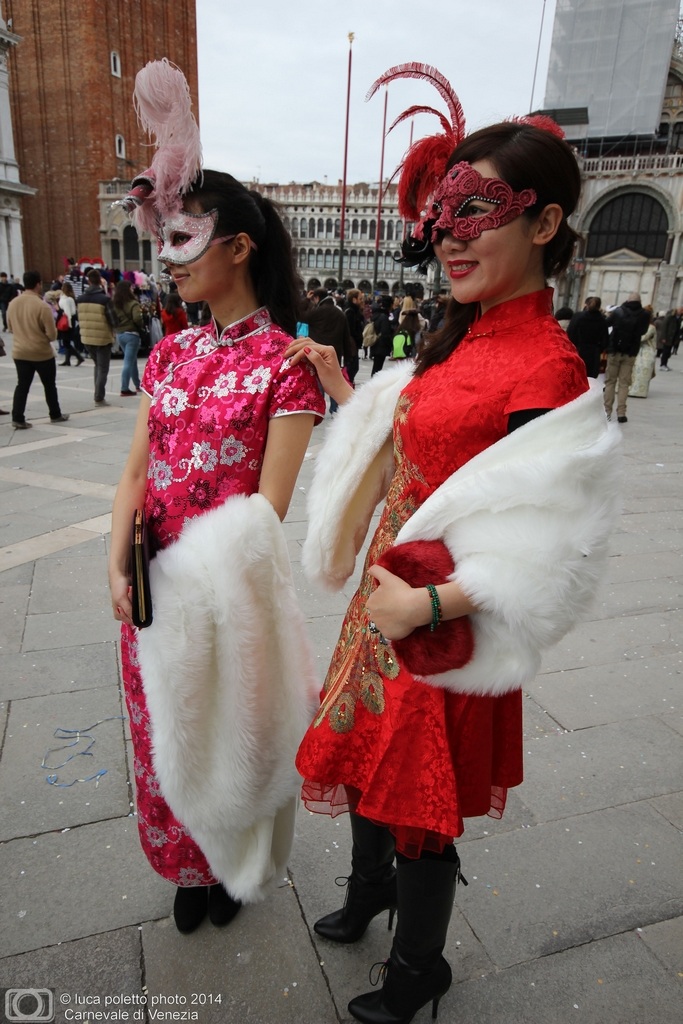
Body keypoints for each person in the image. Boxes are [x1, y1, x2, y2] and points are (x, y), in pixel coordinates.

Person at [286, 112, 620, 1024]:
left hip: (442, 623)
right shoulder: (461, 336)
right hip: (386, 599)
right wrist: (349, 396)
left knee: (418, 797)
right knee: (362, 757)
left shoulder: (546, 368)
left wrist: (430, 604)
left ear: (543, 224)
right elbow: (416, 443)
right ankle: (369, 895)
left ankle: (418, 968)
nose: (447, 237)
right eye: (441, 216)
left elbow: (561, 541)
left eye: (475, 211)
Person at [108, 59, 325, 937]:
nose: (170, 262)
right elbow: (133, 472)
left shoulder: (288, 364)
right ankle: (181, 867)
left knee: (231, 730)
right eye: (164, 242)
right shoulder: (168, 356)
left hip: (227, 591)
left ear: (239, 246)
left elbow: (268, 508)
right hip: (151, 585)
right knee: (160, 733)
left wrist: (200, 572)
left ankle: (230, 865)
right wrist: (117, 560)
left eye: (186, 240)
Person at [8, 270, 69, 428]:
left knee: (22, 385)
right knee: (49, 385)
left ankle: (17, 417)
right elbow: (52, 335)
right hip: (41, 353)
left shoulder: (13, 303)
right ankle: (55, 414)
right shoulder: (42, 306)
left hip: (20, 351)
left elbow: (10, 327)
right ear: (38, 284)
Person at [306, 287, 355, 413]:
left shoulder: (316, 312)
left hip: (316, 351)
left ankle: (318, 407)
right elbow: (346, 336)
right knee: (334, 380)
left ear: (316, 298)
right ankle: (335, 409)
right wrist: (348, 357)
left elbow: (299, 315)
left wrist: (306, 300)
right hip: (334, 354)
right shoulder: (340, 313)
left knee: (318, 381)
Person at [604, 294, 650, 422]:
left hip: (614, 350)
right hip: (631, 352)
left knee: (610, 382)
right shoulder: (645, 314)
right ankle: (621, 413)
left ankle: (607, 411)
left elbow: (607, 323)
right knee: (624, 383)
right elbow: (643, 331)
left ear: (628, 300)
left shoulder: (618, 311)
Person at [77, 268, 116, 405]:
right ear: (100, 281)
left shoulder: (80, 299)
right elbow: (113, 319)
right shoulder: (104, 299)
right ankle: (99, 396)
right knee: (103, 368)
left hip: (87, 337)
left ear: (88, 281)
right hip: (102, 338)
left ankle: (97, 393)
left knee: (97, 365)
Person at [112, 279, 144, 396]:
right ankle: (124, 388)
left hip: (120, 334)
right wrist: (141, 325)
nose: (132, 289)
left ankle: (137, 385)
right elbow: (137, 318)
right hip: (132, 334)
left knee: (132, 361)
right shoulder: (133, 303)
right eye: (131, 288)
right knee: (128, 362)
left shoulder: (115, 304)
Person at [566, 296, 608, 378]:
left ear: (587, 305)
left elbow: (570, 334)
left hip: (579, 350)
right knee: (590, 379)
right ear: (599, 307)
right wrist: (599, 348)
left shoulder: (578, 317)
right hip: (594, 353)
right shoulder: (602, 321)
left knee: (577, 376)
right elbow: (605, 341)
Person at [628, 306, 657, 398]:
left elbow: (643, 337)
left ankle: (639, 391)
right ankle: (632, 389)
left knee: (641, 372)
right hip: (638, 350)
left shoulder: (651, 327)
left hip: (646, 352)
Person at [57, 282, 83, 366]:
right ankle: (67, 360)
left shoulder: (68, 299)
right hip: (67, 319)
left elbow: (68, 312)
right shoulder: (65, 298)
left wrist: (69, 325)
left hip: (67, 320)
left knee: (66, 342)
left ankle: (79, 357)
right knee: (66, 341)